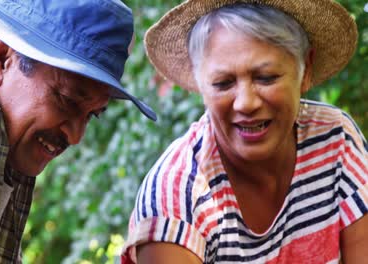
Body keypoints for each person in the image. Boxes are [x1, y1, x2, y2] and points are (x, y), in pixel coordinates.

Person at [0, 0, 156, 262]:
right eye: (66, 100)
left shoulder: (5, 144)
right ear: (0, 59)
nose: (76, 136)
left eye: (91, 115)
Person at [122, 0, 367, 263]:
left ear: (304, 70)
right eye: (224, 83)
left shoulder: (335, 139)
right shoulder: (174, 197)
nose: (246, 103)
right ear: (201, 85)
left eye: (266, 77)